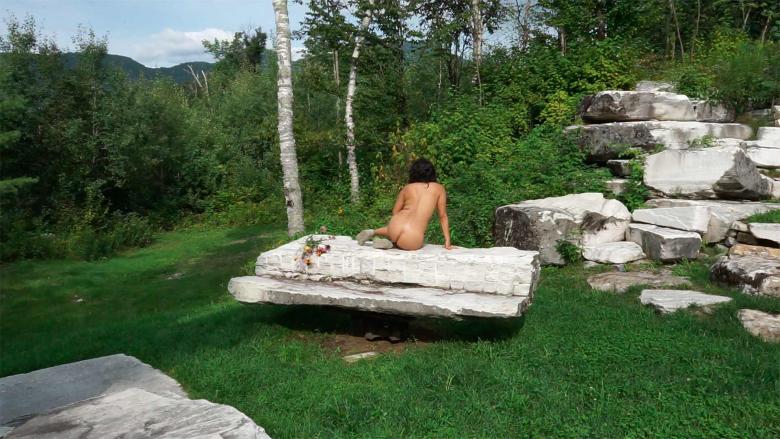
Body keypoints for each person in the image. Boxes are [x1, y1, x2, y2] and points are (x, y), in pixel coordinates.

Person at [356, 158, 452, 251]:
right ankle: (392, 244)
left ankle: (373, 233)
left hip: (394, 226)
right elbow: (442, 216)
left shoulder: (407, 188)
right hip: (412, 238)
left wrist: (395, 227)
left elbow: (395, 212)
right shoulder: (439, 189)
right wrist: (447, 240)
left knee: (398, 228)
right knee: (410, 238)